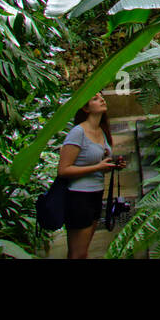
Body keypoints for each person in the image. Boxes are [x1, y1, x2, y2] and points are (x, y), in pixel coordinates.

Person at [57, 93, 126, 259]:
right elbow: (63, 170)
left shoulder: (102, 131)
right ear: (86, 108)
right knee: (78, 253)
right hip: (79, 197)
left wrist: (111, 166)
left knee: (81, 251)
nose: (102, 99)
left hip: (96, 194)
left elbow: (97, 167)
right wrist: (98, 166)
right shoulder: (78, 132)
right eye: (95, 98)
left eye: (101, 96)